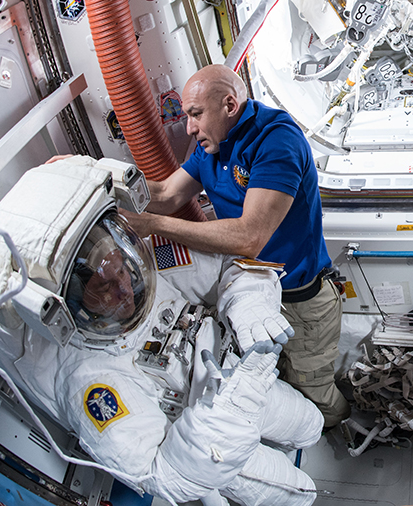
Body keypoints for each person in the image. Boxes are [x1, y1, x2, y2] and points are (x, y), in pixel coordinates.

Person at [0, 157, 324, 505]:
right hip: (203, 433)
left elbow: (238, 264)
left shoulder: (148, 263)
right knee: (301, 493)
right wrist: (234, 406)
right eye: (103, 289)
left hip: (243, 376)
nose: (125, 289)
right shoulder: (87, 382)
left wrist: (249, 309)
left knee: (311, 424)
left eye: (122, 270)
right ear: (69, 305)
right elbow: (164, 476)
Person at [122, 64, 349, 427]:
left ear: (229, 105)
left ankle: (342, 425)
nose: (189, 128)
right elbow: (165, 194)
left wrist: (151, 225)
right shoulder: (212, 144)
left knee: (313, 395)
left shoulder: (276, 140)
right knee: (274, 386)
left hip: (302, 303)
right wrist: (100, 178)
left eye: (196, 115)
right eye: (186, 117)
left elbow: (249, 236)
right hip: (253, 293)